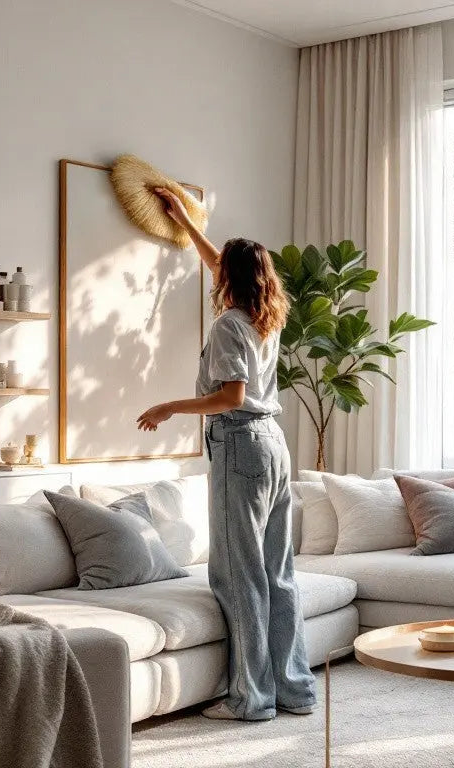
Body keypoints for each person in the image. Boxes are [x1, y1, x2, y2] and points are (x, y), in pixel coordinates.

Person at [136, 188, 316, 722]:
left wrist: (169, 406)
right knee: (277, 571)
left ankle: (251, 699)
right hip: (274, 447)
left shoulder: (227, 325)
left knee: (239, 574)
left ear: (229, 281)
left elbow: (230, 397)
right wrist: (186, 223)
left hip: (239, 442)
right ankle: (293, 690)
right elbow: (220, 263)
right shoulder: (267, 316)